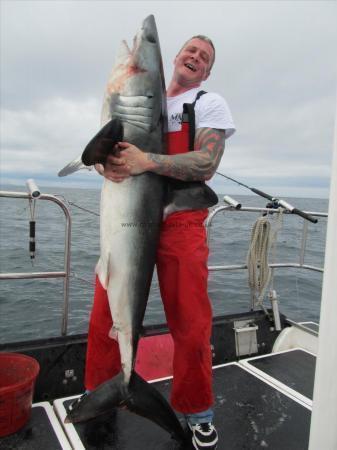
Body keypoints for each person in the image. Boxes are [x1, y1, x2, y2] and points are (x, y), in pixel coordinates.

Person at [84, 36, 235, 450]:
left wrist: (145, 161)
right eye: (190, 50)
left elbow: (207, 162)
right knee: (104, 317)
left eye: (204, 57)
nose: (195, 57)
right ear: (176, 57)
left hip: (180, 219)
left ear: (207, 72)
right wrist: (106, 163)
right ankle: (100, 394)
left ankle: (197, 412)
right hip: (129, 217)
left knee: (190, 324)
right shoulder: (139, 99)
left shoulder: (208, 103)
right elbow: (106, 153)